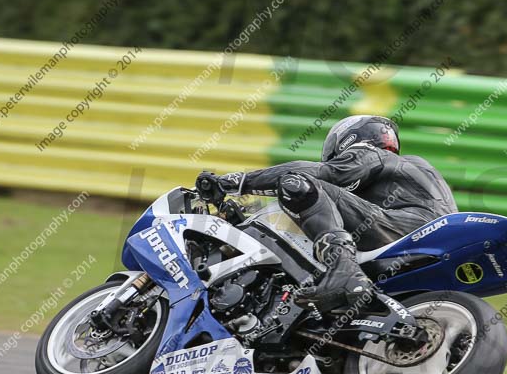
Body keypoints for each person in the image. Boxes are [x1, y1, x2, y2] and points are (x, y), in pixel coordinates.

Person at [195, 115, 457, 312]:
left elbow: (324, 174)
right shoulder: (401, 175)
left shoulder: (372, 153)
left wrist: (237, 182)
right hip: (421, 237)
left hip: (403, 228)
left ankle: (343, 269)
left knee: (297, 182)